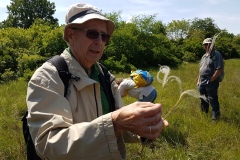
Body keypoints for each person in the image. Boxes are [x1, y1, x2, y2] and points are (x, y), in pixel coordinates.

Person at [26, 3, 168, 160]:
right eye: (93, 34)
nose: (100, 41)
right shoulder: (48, 77)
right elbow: (48, 144)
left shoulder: (104, 75)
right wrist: (113, 122)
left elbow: (121, 125)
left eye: (105, 36)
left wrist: (143, 128)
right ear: (70, 35)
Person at [197, 38, 224, 120]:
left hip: (210, 81)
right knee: (203, 99)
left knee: (212, 99)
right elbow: (201, 69)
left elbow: (219, 69)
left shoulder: (216, 54)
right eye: (205, 44)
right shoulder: (204, 56)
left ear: (212, 45)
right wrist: (198, 81)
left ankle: (215, 118)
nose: (207, 46)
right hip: (202, 81)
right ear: (203, 46)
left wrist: (211, 80)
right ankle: (204, 115)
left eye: (209, 44)